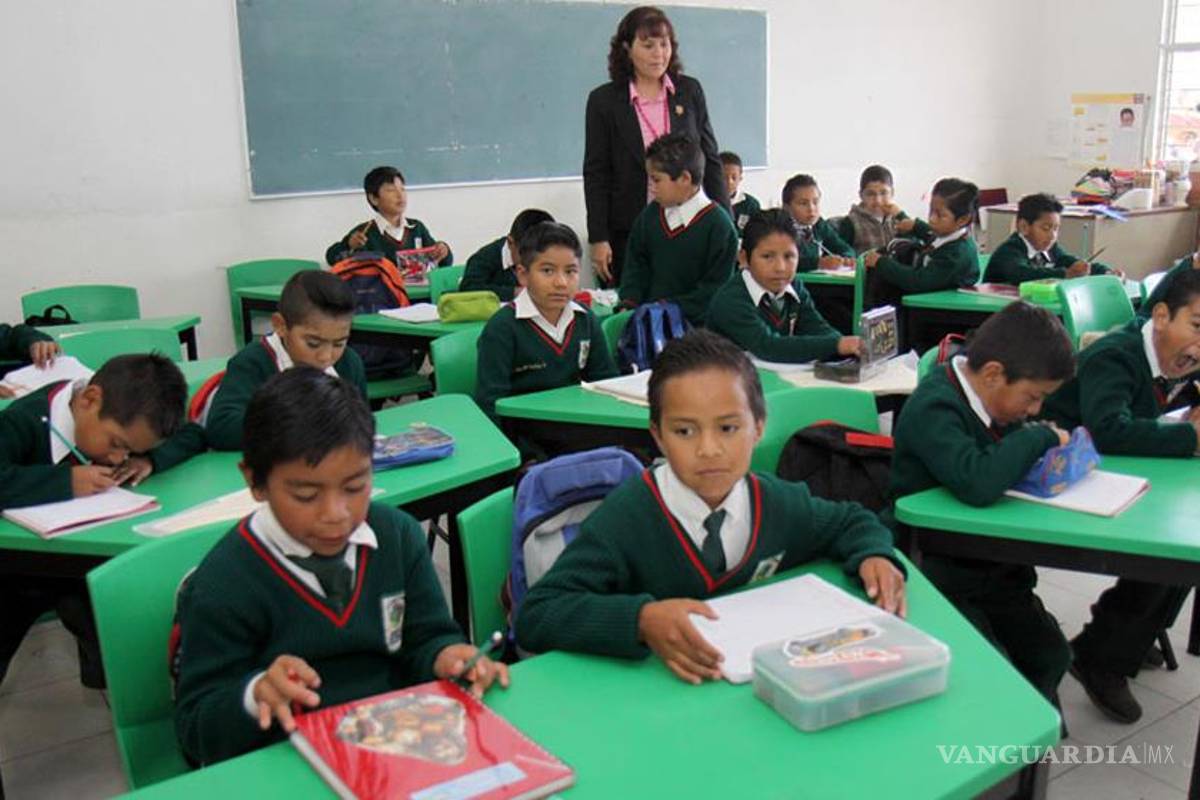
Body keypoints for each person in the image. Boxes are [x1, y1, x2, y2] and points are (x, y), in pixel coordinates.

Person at [515, 330, 905, 683]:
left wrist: (875, 555)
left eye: (728, 428)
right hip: (657, 701)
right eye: (684, 431)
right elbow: (538, 613)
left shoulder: (775, 502)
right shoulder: (628, 516)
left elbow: (850, 521)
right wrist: (640, 620)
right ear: (659, 437)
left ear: (759, 426)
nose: (709, 449)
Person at [174, 368, 508, 765]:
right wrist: (256, 693)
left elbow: (426, 638)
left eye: (354, 487)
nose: (335, 514)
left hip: (398, 744)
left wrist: (447, 655)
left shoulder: (397, 536)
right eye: (305, 494)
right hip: (289, 759)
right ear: (255, 481)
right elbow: (196, 729)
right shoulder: (225, 580)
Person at [888, 302, 1074, 704]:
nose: (1035, 409)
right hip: (936, 570)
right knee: (992, 668)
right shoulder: (935, 405)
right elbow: (977, 481)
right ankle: (1000, 746)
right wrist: (1039, 435)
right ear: (992, 375)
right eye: (1033, 397)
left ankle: (1030, 742)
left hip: (994, 565)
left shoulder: (997, 402)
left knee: (1052, 653)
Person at [1041, 269, 1200, 724]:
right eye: (1198, 326)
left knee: (1187, 536)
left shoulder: (1179, 354)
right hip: (1066, 476)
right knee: (1171, 549)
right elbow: (1107, 430)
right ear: (1163, 315)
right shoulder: (1117, 355)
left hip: (1128, 473)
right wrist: (1189, 439)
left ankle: (1127, 634)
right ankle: (1102, 655)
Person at [0, 353, 187, 689]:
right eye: (116, 444)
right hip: (19, 569)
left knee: (114, 623)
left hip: (89, 559)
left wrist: (149, 460)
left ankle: (113, 685)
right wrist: (64, 483)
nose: (118, 458)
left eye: (129, 451)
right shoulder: (22, 420)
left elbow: (194, 436)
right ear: (89, 399)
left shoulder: (131, 418)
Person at [583, 5, 730, 288]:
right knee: (635, 309)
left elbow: (710, 157)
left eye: (664, 44)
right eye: (648, 45)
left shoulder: (689, 90)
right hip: (630, 225)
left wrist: (725, 222)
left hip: (690, 225)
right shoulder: (604, 101)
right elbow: (596, 172)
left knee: (689, 308)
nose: (658, 54)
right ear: (627, 49)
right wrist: (598, 237)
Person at [475, 222, 617, 429]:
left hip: (580, 427)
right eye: (548, 271)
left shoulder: (585, 319)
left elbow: (606, 384)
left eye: (570, 272)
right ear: (523, 274)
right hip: (526, 438)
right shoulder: (502, 328)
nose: (561, 282)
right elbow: (491, 406)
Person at [205, 270, 366, 451]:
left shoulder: (349, 363)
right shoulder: (253, 363)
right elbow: (221, 429)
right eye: (313, 343)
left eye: (339, 343)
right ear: (280, 325)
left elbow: (360, 422)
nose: (326, 357)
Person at [707, 209, 861, 362]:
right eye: (767, 257)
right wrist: (838, 345)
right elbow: (768, 346)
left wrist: (849, 347)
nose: (780, 267)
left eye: (789, 256)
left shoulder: (794, 286)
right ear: (744, 258)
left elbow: (818, 328)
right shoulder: (731, 299)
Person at [618, 132, 738, 325]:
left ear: (684, 178)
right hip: (649, 325)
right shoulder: (649, 216)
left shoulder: (720, 227)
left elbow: (714, 292)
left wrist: (666, 307)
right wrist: (629, 302)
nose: (652, 188)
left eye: (657, 180)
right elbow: (635, 267)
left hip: (697, 332)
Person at [325, 166, 452, 267]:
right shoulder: (364, 233)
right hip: (382, 298)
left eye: (402, 189)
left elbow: (444, 262)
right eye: (391, 190)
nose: (400, 195)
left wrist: (443, 250)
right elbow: (332, 258)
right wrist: (349, 245)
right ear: (374, 198)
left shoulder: (416, 227)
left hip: (418, 296)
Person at [984, 193, 1116, 285]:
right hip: (993, 315)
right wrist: (1065, 274)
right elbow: (1022, 274)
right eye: (1045, 228)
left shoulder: (1050, 248)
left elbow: (1070, 262)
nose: (1052, 236)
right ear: (1024, 226)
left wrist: (1105, 272)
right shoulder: (1010, 250)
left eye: (1056, 229)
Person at [460, 209, 554, 301]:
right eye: (525, 254)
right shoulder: (483, 258)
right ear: (510, 243)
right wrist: (512, 292)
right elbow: (468, 289)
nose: (533, 260)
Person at [838, 164, 909, 255]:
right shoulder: (851, 223)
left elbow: (915, 243)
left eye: (884, 193)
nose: (877, 200)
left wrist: (902, 217)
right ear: (861, 195)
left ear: (892, 193)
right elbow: (842, 254)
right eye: (870, 194)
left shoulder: (898, 219)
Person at [720, 151, 760, 234]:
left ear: (740, 177)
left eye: (734, 177)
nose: (729, 182)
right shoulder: (708, 203)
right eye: (724, 177)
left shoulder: (751, 205)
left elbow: (756, 235)